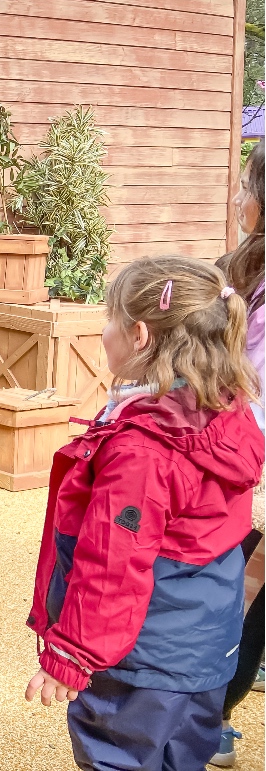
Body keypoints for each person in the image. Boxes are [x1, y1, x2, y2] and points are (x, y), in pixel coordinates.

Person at [26, 256, 263, 771]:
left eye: (107, 319)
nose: (102, 332)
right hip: (203, 650)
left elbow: (112, 562)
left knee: (118, 757)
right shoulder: (227, 412)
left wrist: (71, 655)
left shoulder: (144, 449)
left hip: (142, 661)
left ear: (138, 335)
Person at [209, 141, 265, 768]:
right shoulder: (242, 271)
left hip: (246, 459)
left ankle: (215, 718)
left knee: (243, 593)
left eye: (246, 187)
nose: (237, 200)